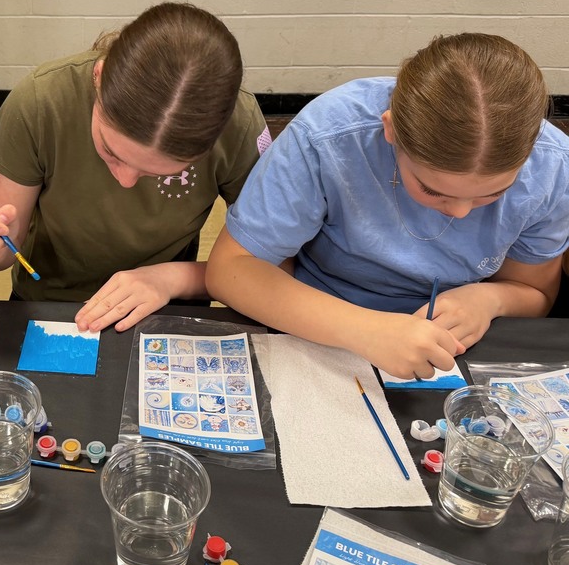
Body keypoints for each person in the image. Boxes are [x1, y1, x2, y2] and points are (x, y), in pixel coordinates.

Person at [206, 33, 569, 379]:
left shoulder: (552, 168)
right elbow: (232, 269)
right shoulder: (329, 136)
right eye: (431, 189)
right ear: (391, 131)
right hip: (316, 319)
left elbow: (535, 293)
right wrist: (364, 330)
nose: (460, 212)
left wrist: (489, 300)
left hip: (451, 346)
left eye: (492, 193)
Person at [0, 2, 270, 333]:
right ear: (99, 77)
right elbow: (6, 252)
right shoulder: (41, 103)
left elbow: (270, 264)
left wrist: (173, 279)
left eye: (158, 172)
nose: (125, 181)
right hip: (49, 305)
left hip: (168, 306)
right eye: (111, 151)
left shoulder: (240, 127)